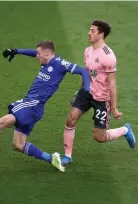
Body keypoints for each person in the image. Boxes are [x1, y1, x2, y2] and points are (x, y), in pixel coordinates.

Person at [0, 40, 91, 172]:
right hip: (33, 107)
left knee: (1, 122)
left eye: (38, 53)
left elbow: (83, 71)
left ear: (47, 53)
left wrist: (86, 90)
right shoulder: (47, 60)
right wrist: (16, 51)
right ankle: (51, 158)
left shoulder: (61, 64)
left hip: (32, 104)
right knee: (18, 145)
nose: (36, 56)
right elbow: (33, 52)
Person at [51, 20, 136, 172]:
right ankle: (68, 156)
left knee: (99, 137)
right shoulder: (87, 51)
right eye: (89, 30)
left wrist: (114, 109)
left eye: (92, 31)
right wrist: (80, 90)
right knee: (71, 119)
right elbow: (87, 74)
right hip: (86, 91)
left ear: (101, 34)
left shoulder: (108, 57)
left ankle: (125, 130)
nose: (89, 33)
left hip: (102, 99)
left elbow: (112, 84)